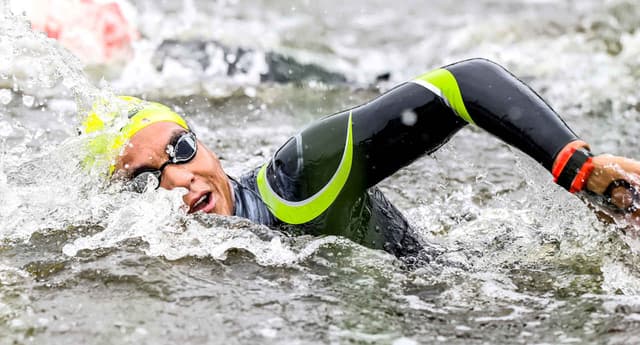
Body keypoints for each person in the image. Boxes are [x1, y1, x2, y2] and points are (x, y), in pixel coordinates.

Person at [83, 58, 640, 266]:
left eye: (180, 149)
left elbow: (462, 85)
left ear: (203, 144)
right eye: (144, 183)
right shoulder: (152, 262)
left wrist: (575, 166)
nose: (179, 179)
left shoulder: (297, 177)